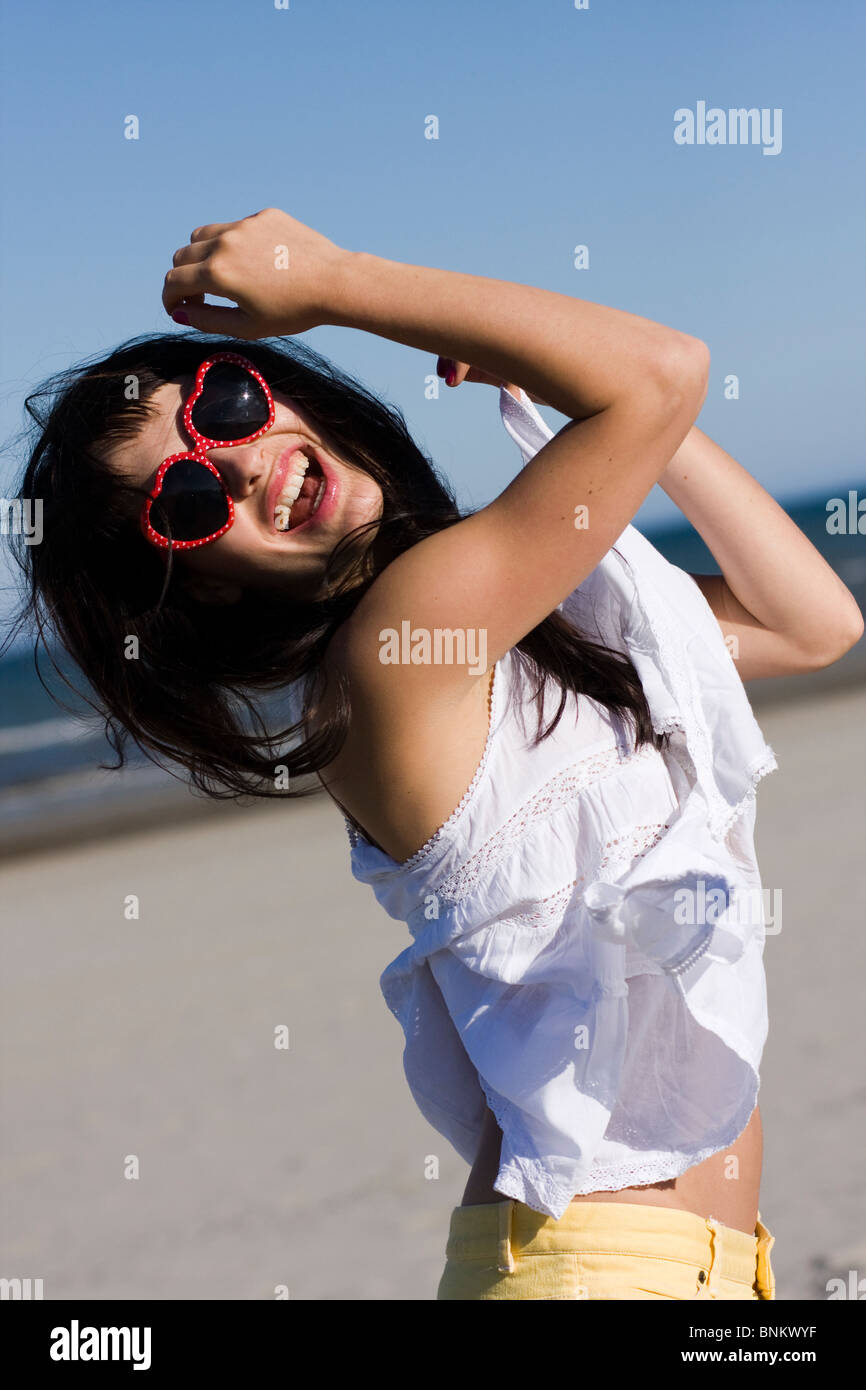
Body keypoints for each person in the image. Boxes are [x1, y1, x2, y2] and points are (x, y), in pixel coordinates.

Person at [10, 208, 862, 1300]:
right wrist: (342, 281)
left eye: (227, 405)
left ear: (283, 391)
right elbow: (658, 372)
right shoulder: (396, 652)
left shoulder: (508, 633)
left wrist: (569, 390)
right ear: (204, 585)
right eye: (184, 502)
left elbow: (806, 623)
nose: (237, 466)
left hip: (706, 1270)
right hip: (590, 1271)